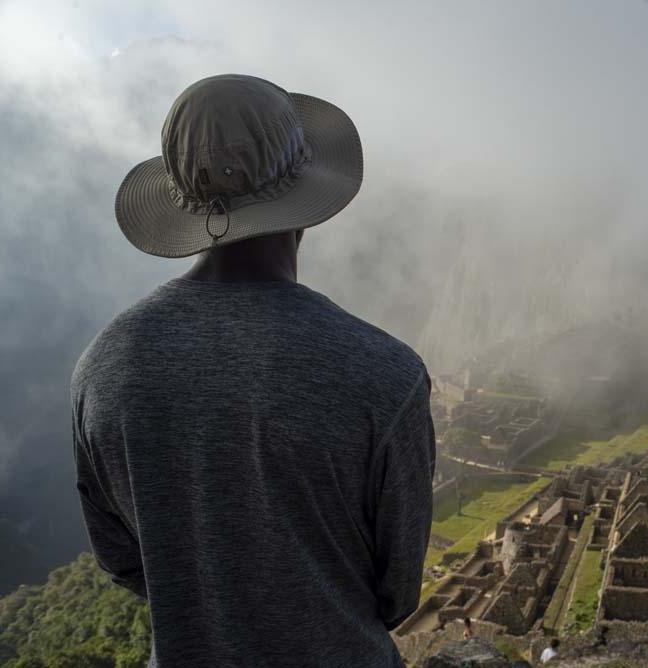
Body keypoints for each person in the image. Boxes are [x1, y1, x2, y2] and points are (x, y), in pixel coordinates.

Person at [71, 74, 435, 667]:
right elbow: (396, 592)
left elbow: (122, 560)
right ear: (307, 197)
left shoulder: (103, 367)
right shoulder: (384, 374)